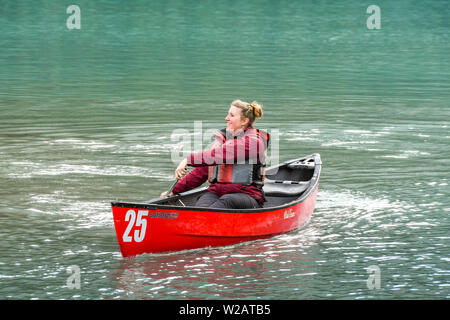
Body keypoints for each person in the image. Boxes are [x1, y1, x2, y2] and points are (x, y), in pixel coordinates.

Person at [161, 99, 269, 209]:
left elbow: (222, 154)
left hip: (247, 196)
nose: (226, 118)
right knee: (202, 206)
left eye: (231, 115)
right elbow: (200, 172)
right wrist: (174, 191)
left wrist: (187, 160)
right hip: (217, 193)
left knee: (226, 201)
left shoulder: (253, 142)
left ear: (244, 121)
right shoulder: (223, 141)